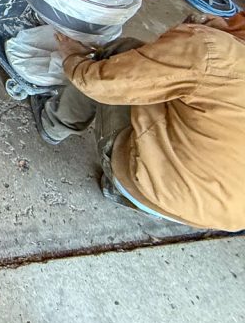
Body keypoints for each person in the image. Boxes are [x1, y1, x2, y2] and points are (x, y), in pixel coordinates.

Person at [29, 12, 245, 231]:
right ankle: (128, 195)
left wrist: (73, 58)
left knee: (120, 55)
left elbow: (99, 81)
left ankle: (56, 124)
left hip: (156, 188)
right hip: (224, 217)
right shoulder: (217, 52)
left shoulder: (210, 49)